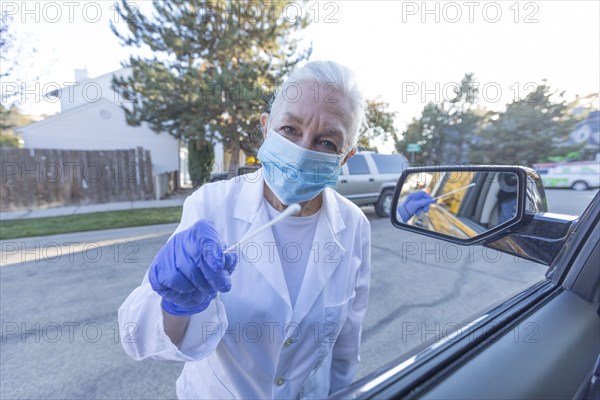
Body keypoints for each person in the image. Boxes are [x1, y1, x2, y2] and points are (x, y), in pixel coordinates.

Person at [118, 60, 372, 399]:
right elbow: (138, 338)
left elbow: (346, 340)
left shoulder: (354, 225)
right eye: (290, 130)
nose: (301, 151)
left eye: (326, 142)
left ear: (345, 157)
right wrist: (175, 306)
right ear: (266, 128)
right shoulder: (211, 205)